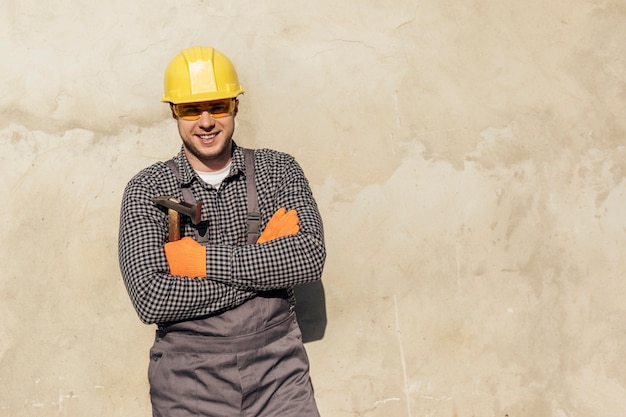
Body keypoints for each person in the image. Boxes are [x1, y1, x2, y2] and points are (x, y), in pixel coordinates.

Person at [118, 45, 326, 417]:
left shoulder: (278, 171)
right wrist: (266, 267)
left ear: (235, 106)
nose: (206, 121)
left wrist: (201, 261)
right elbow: (151, 297)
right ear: (173, 113)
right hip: (188, 385)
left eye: (217, 106)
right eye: (190, 109)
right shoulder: (148, 188)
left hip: (279, 378)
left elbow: (308, 258)